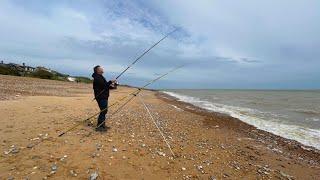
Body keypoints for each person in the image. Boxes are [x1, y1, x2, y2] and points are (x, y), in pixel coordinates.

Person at [92, 65, 116, 132]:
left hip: (104, 96)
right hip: (101, 97)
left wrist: (113, 86)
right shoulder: (97, 77)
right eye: (100, 68)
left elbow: (105, 86)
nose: (102, 69)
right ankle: (99, 126)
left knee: (104, 111)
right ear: (97, 70)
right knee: (103, 110)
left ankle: (102, 125)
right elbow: (103, 85)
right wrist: (110, 81)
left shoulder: (100, 77)